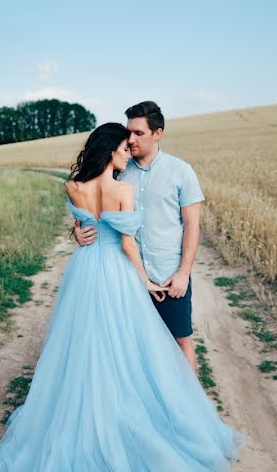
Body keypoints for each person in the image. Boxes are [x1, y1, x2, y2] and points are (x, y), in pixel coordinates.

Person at [0, 122, 245, 472]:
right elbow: (127, 247)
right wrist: (144, 284)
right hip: (116, 276)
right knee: (128, 350)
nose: (127, 152)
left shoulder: (73, 186)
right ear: (111, 150)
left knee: (82, 348)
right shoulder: (123, 190)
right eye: (123, 147)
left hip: (84, 273)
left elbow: (85, 231)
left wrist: (79, 234)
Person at [74, 101, 202, 375]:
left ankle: (192, 406)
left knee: (180, 341)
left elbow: (192, 227)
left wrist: (183, 273)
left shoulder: (181, 171)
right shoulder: (119, 170)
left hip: (167, 275)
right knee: (130, 348)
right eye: (128, 133)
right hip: (125, 278)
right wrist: (78, 231)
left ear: (158, 134)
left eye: (138, 133)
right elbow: (92, 207)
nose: (130, 140)